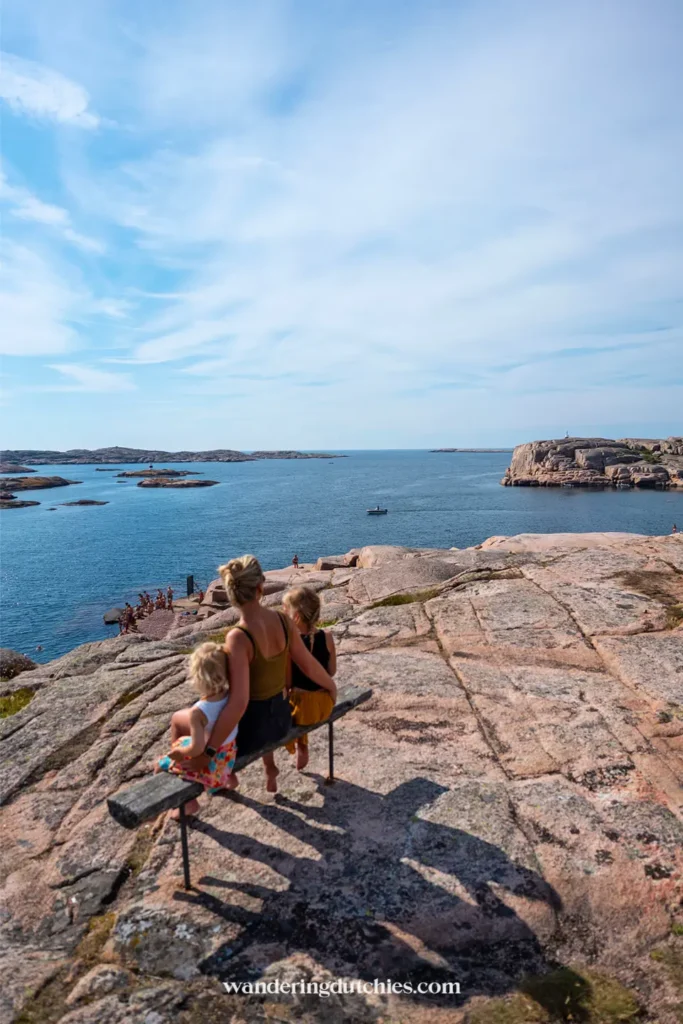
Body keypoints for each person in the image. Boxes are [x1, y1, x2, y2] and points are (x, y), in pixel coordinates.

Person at [178, 554, 336, 794]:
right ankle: (236, 775)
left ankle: (191, 796)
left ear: (231, 595)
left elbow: (239, 703)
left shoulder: (238, 637)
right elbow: (308, 664)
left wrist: (208, 752)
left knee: (183, 719)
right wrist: (331, 687)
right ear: (261, 587)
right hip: (282, 722)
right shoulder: (283, 620)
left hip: (252, 734)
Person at [155, 642, 237, 817]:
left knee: (160, 764)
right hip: (228, 759)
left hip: (212, 768)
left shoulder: (198, 712)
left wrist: (178, 752)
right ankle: (230, 780)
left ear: (198, 678)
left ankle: (188, 803)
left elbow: (197, 749)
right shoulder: (232, 696)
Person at [282, 586, 337, 770]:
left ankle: (301, 746)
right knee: (304, 701)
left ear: (295, 615)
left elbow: (288, 683)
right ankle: (302, 747)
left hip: (303, 710)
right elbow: (331, 671)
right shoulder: (327, 636)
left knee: (295, 701)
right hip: (324, 704)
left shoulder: (291, 644)